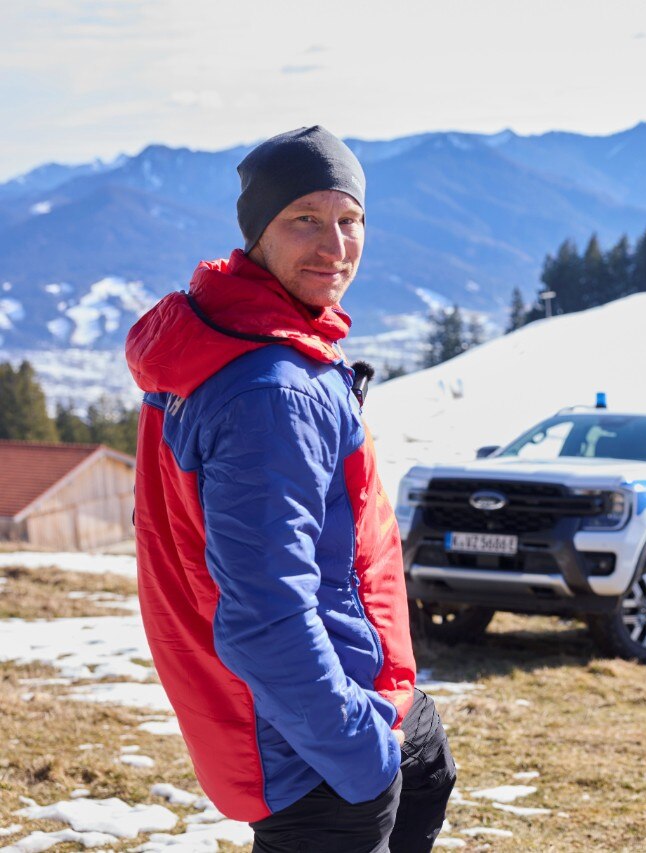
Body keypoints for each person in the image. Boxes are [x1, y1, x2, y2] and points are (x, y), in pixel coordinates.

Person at [127, 126, 455, 852]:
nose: (334, 247)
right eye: (305, 219)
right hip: (312, 750)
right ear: (257, 233)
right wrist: (359, 753)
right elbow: (265, 614)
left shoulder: (225, 337)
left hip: (336, 707)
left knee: (429, 769)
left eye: (350, 220)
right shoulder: (272, 390)